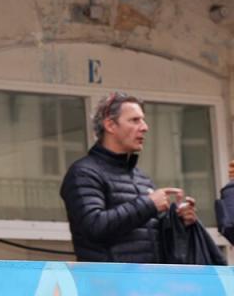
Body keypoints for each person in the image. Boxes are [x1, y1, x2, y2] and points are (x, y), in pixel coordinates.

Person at [60, 92, 198, 262]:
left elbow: (146, 238)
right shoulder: (83, 173)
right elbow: (94, 226)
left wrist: (178, 221)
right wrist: (148, 204)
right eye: (134, 120)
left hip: (146, 283)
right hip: (106, 285)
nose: (145, 127)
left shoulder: (141, 178)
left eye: (143, 120)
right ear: (110, 125)